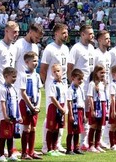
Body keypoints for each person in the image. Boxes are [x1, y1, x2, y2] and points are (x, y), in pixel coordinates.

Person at [0, 22, 19, 160]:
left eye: (17, 32)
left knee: (10, 118)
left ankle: (7, 149)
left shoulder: (14, 48)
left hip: (9, 89)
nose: (16, 34)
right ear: (6, 31)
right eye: (14, 31)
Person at [39, 24, 69, 154]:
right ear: (56, 33)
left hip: (63, 86)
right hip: (52, 87)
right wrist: (47, 85)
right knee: (50, 116)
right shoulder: (49, 49)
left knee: (62, 115)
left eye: (66, 32)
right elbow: (43, 69)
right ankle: (46, 145)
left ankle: (57, 144)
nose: (66, 34)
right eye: (63, 32)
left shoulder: (66, 49)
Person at [66, 25, 95, 151]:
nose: (92, 36)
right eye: (89, 34)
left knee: (86, 116)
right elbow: (70, 67)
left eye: (93, 33)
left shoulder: (92, 48)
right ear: (82, 34)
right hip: (78, 87)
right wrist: (72, 85)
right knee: (75, 116)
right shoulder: (76, 48)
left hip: (89, 87)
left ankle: (84, 142)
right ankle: (71, 143)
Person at [17, 52, 42, 160]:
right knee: (27, 128)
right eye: (33, 61)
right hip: (26, 104)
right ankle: (24, 153)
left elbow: (39, 91)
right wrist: (31, 106)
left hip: (35, 105)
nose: (36, 63)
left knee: (33, 129)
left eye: (37, 61)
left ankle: (31, 152)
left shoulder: (37, 75)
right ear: (27, 62)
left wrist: (38, 105)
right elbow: (23, 93)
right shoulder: (23, 75)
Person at [0, 67, 19, 162]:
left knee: (10, 136)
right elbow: (3, 103)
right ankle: (1, 155)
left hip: (13, 116)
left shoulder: (13, 88)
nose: (15, 79)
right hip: (5, 117)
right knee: (3, 136)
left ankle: (10, 154)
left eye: (15, 77)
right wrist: (5, 115)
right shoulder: (3, 89)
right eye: (13, 77)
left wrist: (19, 116)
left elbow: (16, 103)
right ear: (6, 76)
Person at [45, 64, 66, 157]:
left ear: (62, 72)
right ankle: (49, 149)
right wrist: (60, 108)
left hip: (61, 107)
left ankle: (54, 148)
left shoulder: (63, 84)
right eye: (54, 72)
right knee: (51, 128)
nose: (56, 73)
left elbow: (64, 97)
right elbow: (53, 98)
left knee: (57, 128)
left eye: (58, 71)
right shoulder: (52, 84)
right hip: (54, 107)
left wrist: (64, 107)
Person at [86, 65, 107, 153]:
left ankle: (97, 144)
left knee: (99, 126)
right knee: (93, 125)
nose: (103, 74)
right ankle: (90, 146)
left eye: (104, 73)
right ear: (96, 73)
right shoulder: (92, 84)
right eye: (101, 72)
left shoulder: (102, 83)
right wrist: (92, 109)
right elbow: (90, 97)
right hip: (95, 105)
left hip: (102, 105)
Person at [65, 69, 85, 156]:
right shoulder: (70, 90)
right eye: (79, 79)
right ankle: (69, 149)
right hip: (73, 111)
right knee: (71, 131)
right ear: (73, 78)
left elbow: (82, 102)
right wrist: (71, 115)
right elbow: (69, 102)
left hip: (80, 111)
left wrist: (83, 115)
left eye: (81, 79)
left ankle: (76, 148)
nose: (80, 81)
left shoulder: (80, 88)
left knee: (78, 131)